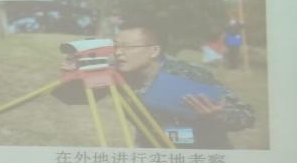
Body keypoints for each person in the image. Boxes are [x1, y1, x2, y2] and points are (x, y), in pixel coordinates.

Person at [58, 20, 254, 149]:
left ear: (153, 51)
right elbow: (74, 98)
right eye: (116, 46)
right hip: (151, 151)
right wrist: (70, 74)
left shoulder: (190, 75)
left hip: (200, 152)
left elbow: (246, 115)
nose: (118, 52)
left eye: (127, 47)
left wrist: (218, 116)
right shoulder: (116, 73)